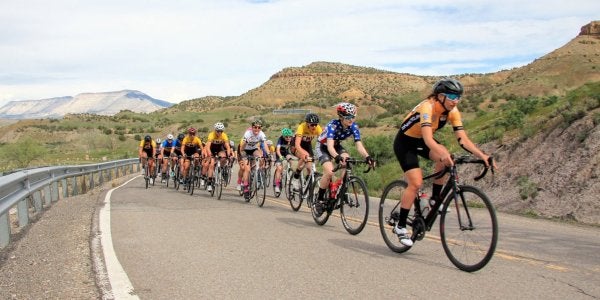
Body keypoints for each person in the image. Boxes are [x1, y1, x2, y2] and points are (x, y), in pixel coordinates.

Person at [391, 78, 496, 246]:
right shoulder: (427, 107)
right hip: (405, 143)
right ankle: (401, 226)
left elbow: (463, 139)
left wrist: (482, 155)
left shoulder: (453, 111)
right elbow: (428, 138)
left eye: (458, 97)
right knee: (416, 183)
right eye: (452, 96)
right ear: (440, 96)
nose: (456, 101)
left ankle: (435, 199)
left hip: (423, 141)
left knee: (447, 159)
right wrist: (443, 154)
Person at [314, 103, 375, 215]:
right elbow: (330, 147)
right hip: (323, 146)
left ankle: (339, 187)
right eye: (348, 117)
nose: (351, 120)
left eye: (353, 117)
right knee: (328, 172)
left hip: (336, 145)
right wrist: (337, 157)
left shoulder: (354, 127)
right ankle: (319, 199)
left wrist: (367, 156)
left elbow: (359, 145)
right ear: (341, 117)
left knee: (347, 160)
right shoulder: (333, 125)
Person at [291, 113, 323, 191]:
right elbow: (297, 145)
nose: (314, 126)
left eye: (316, 124)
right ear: (307, 123)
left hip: (307, 145)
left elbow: (322, 142)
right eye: (312, 125)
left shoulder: (318, 128)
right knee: (304, 156)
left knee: (309, 167)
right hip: (296, 145)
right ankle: (295, 178)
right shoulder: (301, 127)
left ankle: (306, 183)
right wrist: (304, 154)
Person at [238, 120, 268, 194]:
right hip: (244, 150)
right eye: (255, 127)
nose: (257, 129)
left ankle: (256, 171)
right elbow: (242, 148)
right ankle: (245, 186)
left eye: (259, 127)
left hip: (253, 149)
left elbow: (265, 144)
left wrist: (268, 153)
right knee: (247, 169)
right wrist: (246, 142)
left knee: (261, 157)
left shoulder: (261, 134)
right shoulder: (248, 133)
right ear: (252, 127)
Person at [202, 122, 233, 192]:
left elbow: (227, 146)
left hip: (219, 148)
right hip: (211, 149)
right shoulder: (211, 135)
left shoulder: (224, 135)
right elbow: (208, 147)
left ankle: (220, 168)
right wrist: (210, 154)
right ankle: (209, 183)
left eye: (221, 131)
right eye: (218, 131)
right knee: (211, 164)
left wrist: (228, 155)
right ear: (215, 130)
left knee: (224, 157)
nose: (219, 132)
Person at [273, 128, 295, 193]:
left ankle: (289, 176)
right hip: (279, 153)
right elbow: (277, 150)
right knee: (279, 168)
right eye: (286, 137)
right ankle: (277, 185)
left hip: (286, 153)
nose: (288, 138)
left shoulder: (292, 139)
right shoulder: (280, 140)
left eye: (290, 136)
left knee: (292, 161)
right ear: (283, 136)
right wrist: (280, 157)